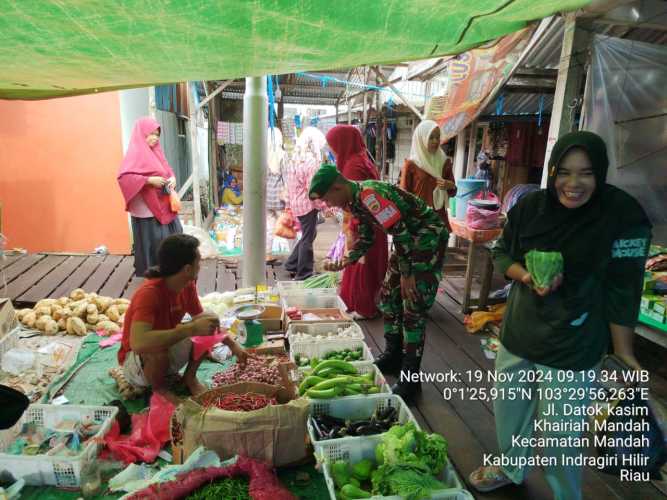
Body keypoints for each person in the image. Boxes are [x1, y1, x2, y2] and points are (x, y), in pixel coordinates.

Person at [469, 132, 652, 499]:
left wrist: (623, 349)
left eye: (585, 173)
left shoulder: (622, 216)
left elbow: (623, 287)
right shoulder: (531, 207)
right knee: (510, 412)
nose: (573, 183)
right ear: (553, 171)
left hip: (575, 341)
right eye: (564, 172)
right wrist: (526, 276)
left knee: (561, 433)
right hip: (520, 332)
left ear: (599, 173)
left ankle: (566, 493)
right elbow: (503, 251)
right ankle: (509, 466)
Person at [310, 164, 448, 401]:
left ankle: (410, 380)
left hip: (426, 239)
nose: (329, 204)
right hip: (407, 243)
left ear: (337, 186)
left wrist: (407, 274)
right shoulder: (353, 200)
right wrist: (346, 260)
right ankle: (393, 355)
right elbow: (368, 236)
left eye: (328, 198)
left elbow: (401, 231)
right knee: (388, 296)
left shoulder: (370, 196)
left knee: (413, 307)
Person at [118, 234, 249, 404]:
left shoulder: (187, 286)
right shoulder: (149, 294)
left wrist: (232, 345)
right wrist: (190, 329)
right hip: (136, 361)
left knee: (208, 320)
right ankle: (160, 390)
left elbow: (203, 320)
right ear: (188, 269)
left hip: (166, 351)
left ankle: (189, 378)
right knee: (158, 348)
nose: (200, 266)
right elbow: (138, 343)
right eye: (199, 262)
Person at [326, 125, 389, 319]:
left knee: (362, 265)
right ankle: (361, 303)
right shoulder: (361, 159)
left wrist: (353, 230)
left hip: (363, 223)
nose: (331, 149)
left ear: (342, 143)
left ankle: (362, 307)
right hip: (370, 222)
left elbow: (357, 202)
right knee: (363, 264)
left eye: (332, 145)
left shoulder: (354, 166)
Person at [117, 117, 182, 277]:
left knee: (168, 237)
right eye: (150, 134)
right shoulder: (135, 153)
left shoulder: (156, 151)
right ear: (141, 134)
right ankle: (153, 272)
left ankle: (168, 269)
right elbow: (124, 178)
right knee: (153, 241)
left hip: (163, 203)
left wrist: (172, 178)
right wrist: (147, 180)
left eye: (157, 134)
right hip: (146, 209)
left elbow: (166, 169)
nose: (154, 138)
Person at [284, 127, 327, 280]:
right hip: (307, 205)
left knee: (309, 234)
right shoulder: (312, 162)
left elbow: (289, 184)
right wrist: (324, 206)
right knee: (308, 239)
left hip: (297, 204)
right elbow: (312, 189)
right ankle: (304, 273)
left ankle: (291, 264)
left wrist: (289, 203)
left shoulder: (294, 158)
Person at [401, 120, 457, 231]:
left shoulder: (444, 161)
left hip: (439, 218)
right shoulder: (411, 164)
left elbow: (453, 192)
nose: (435, 141)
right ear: (422, 139)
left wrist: (451, 186)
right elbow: (403, 195)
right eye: (431, 138)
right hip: (418, 219)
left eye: (438, 137)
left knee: (438, 247)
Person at [266, 128, 287, 256]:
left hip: (267, 197)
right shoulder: (282, 155)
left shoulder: (263, 154)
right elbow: (286, 177)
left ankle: (267, 253)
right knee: (287, 225)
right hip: (279, 198)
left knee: (269, 227)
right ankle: (295, 256)